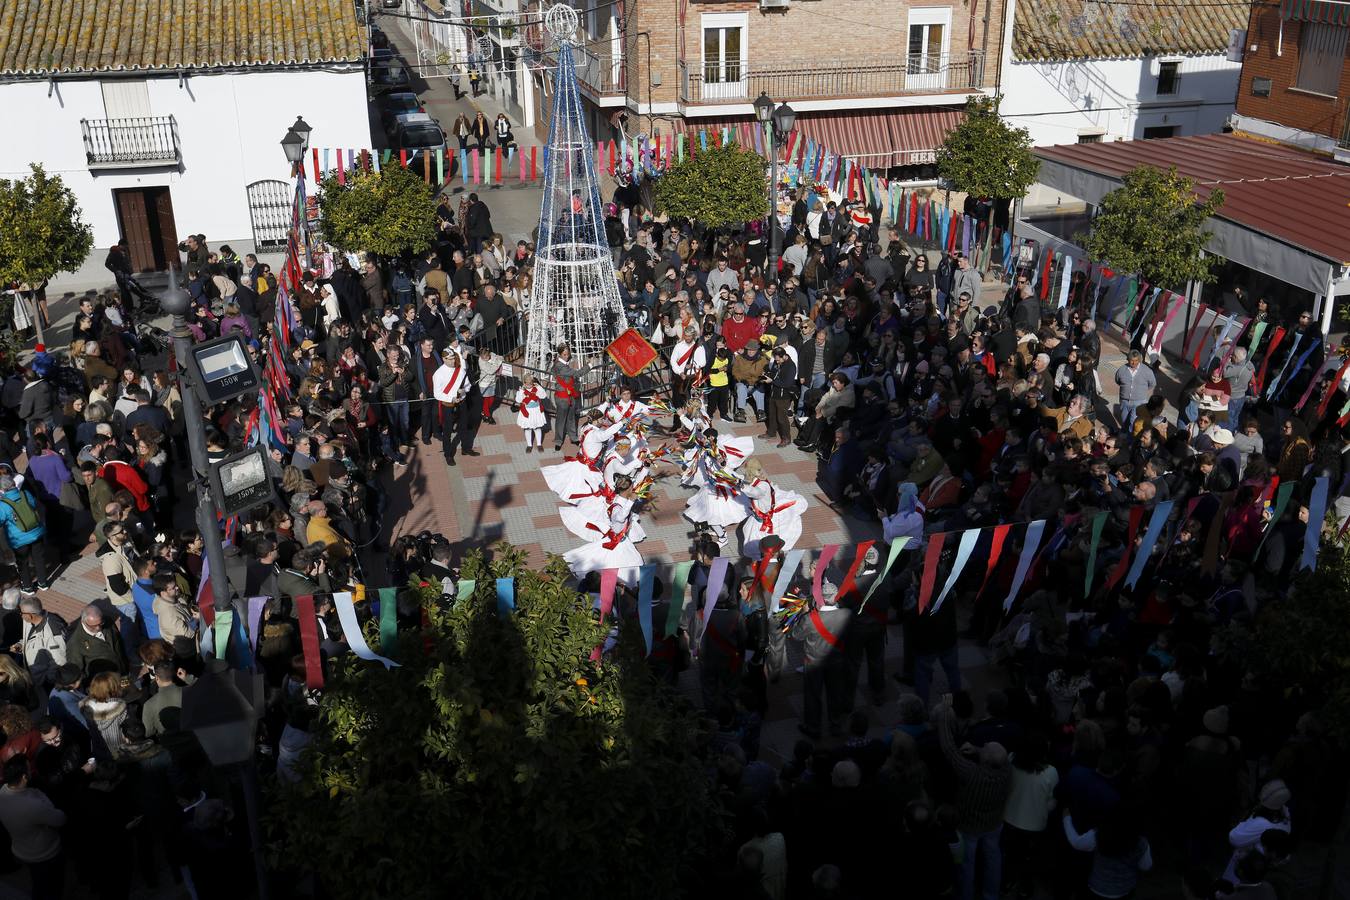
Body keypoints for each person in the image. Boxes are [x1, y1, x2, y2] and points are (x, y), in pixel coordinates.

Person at [789, 580, 851, 739]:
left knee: (812, 695)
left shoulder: (811, 618)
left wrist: (804, 613)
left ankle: (813, 727)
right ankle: (835, 725)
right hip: (836, 661)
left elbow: (796, 635)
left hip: (814, 662)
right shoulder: (846, 614)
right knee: (835, 693)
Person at [0, 754, 66, 899]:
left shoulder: (2, 791)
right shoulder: (33, 804)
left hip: (22, 850)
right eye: (29, 769)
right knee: (53, 887)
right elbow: (60, 818)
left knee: (38, 883)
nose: (32, 770)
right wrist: (41, 796)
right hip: (45, 853)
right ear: (24, 777)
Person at [0, 473, 49, 591]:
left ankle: (27, 587)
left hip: (18, 540)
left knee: (22, 563)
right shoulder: (25, 494)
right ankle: (43, 583)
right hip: (36, 532)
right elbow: (34, 505)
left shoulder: (3, 505)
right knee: (39, 558)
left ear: (3, 489)